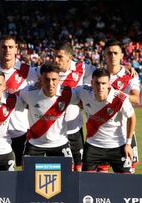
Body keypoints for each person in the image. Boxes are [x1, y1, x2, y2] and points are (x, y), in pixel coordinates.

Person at [0, 36, 39, 167]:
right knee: (0, 171)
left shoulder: (28, 71)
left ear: (16, 49)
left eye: (10, 47)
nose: (7, 50)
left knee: (25, 168)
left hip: (19, 128)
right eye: (3, 47)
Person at [73, 68, 136, 173]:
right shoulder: (83, 91)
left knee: (126, 184)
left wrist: (128, 144)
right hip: (93, 146)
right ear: (92, 82)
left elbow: (132, 117)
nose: (100, 87)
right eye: (97, 83)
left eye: (103, 83)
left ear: (109, 84)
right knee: (86, 184)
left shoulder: (120, 98)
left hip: (118, 145)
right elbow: (65, 94)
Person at [98, 39, 141, 173]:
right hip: (101, 132)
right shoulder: (96, 75)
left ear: (122, 55)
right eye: (109, 53)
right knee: (99, 179)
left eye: (116, 53)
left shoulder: (130, 75)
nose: (112, 56)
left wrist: (114, 94)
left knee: (127, 179)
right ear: (104, 55)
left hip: (124, 132)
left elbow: (136, 99)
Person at [52, 42, 95, 171]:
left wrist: (124, 67)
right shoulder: (47, 70)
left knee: (78, 166)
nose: (55, 60)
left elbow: (105, 72)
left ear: (69, 57)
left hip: (74, 128)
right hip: (53, 130)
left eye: (59, 57)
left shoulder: (82, 68)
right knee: (58, 168)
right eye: (54, 56)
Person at [19, 63, 74, 159]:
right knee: (28, 173)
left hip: (60, 142)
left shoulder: (67, 93)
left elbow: (84, 99)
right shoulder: (28, 92)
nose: (50, 84)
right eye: (47, 79)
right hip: (35, 143)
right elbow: (13, 99)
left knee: (66, 173)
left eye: (54, 80)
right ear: (40, 80)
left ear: (59, 80)